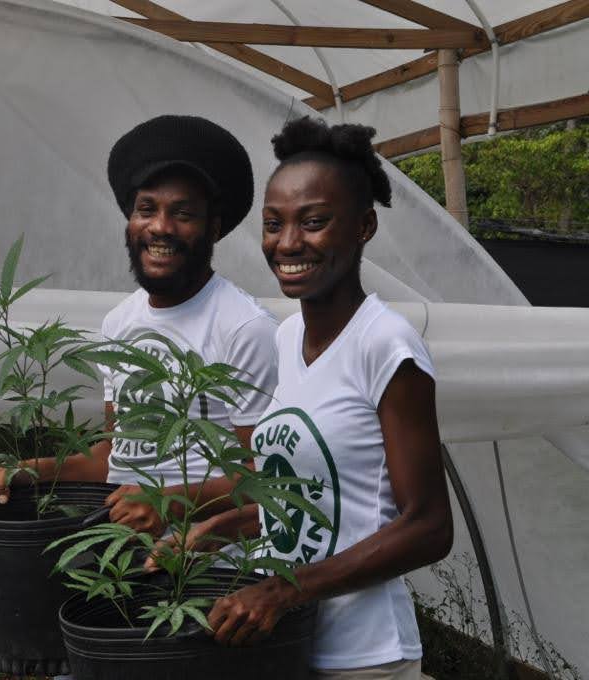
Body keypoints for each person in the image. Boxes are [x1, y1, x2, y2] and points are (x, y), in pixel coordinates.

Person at [198, 116, 452, 679]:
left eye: (313, 222)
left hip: (364, 656)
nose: (288, 243)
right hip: (289, 646)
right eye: (273, 223)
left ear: (363, 227)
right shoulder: (286, 338)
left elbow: (429, 526)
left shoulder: (386, 347)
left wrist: (282, 592)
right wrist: (216, 528)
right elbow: (305, 497)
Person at [0, 114, 278, 535]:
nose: (160, 227)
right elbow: (115, 456)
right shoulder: (119, 323)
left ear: (213, 228)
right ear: (130, 221)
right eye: (146, 209)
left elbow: (269, 481)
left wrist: (170, 501)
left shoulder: (245, 329)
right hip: (128, 565)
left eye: (183, 213)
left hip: (212, 574)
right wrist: (30, 470)